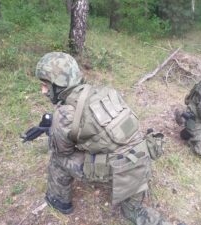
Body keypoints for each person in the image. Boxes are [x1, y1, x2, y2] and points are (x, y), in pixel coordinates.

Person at [34, 52, 176, 225]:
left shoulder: (64, 114)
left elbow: (63, 151)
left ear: (59, 84)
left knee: (58, 159)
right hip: (142, 158)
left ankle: (59, 201)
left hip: (121, 167)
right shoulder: (103, 91)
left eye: (45, 85)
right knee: (134, 212)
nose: (43, 91)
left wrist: (53, 132)